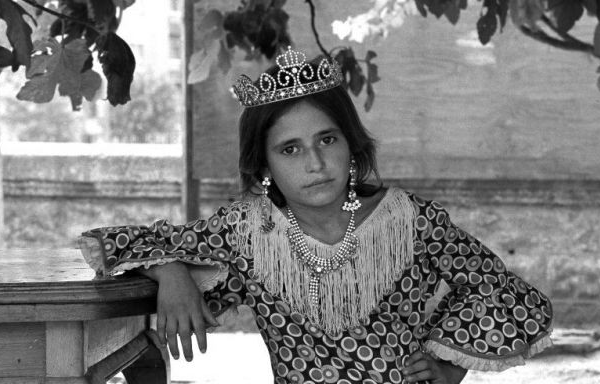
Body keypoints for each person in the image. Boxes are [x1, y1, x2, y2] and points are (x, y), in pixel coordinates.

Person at [80, 47, 553, 384]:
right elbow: (114, 241)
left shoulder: (410, 222)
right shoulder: (248, 230)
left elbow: (501, 289)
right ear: (264, 166)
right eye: (290, 149)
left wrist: (448, 364)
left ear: (351, 143)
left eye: (327, 139)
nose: (314, 162)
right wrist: (171, 270)